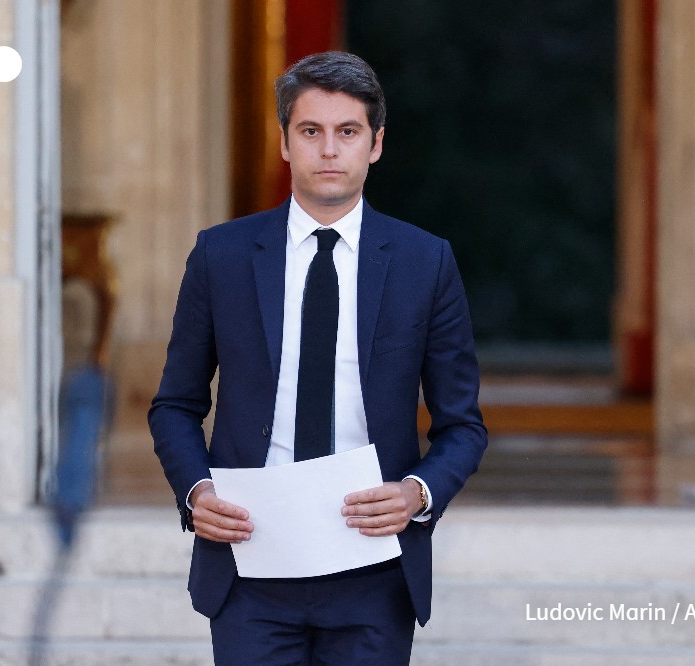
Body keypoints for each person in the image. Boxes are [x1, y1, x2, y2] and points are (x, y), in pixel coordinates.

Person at [149, 50, 487, 665]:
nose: (328, 150)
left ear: (375, 144)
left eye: (347, 132)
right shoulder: (220, 257)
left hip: (373, 568)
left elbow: (463, 424)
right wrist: (196, 491)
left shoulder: (424, 262)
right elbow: (174, 404)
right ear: (284, 142)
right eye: (311, 131)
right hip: (251, 563)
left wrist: (418, 492)